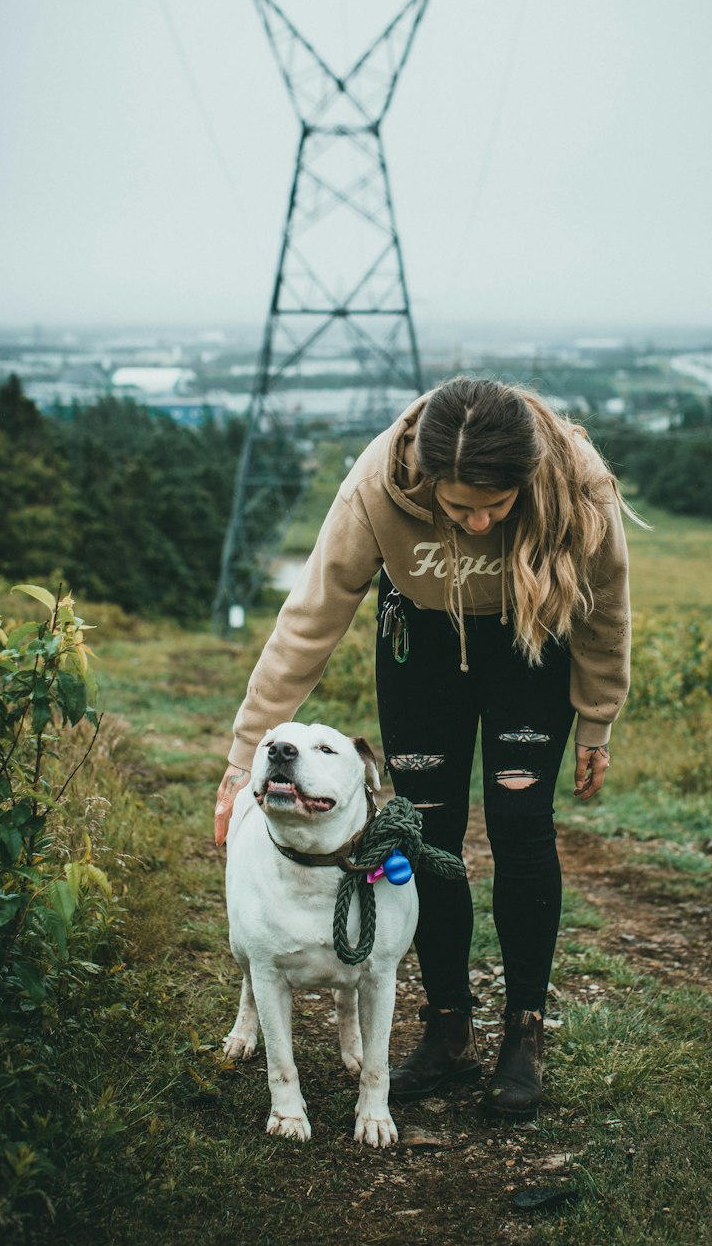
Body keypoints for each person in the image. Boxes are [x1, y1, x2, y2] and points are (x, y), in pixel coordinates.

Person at [214, 376, 631, 1120]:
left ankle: (523, 1036)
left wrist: (596, 716)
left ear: (526, 482)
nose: (476, 523)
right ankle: (447, 1028)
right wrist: (246, 750)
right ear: (427, 477)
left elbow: (605, 607)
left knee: (521, 824)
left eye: (496, 508)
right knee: (429, 830)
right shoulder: (376, 485)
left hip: (533, 638)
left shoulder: (576, 483)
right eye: (458, 505)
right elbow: (311, 618)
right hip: (422, 643)